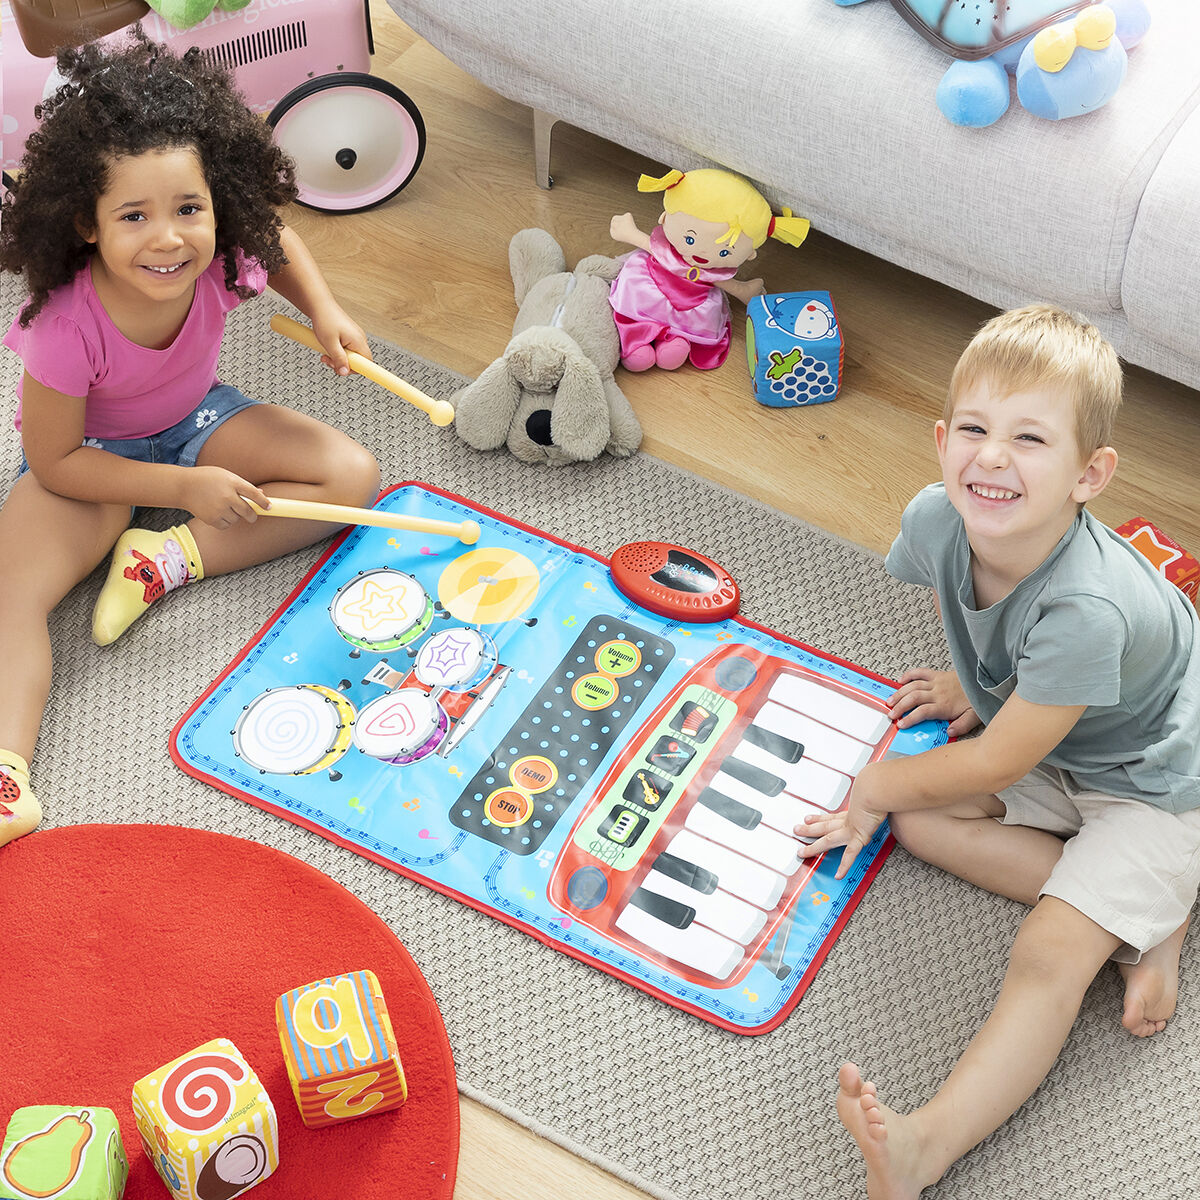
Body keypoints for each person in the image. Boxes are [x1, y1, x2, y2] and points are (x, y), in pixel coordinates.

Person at [797, 305, 1200, 1198]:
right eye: (974, 429)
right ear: (941, 440)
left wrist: (875, 781)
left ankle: (925, 1147)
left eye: (1030, 439)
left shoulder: (1089, 608)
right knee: (916, 827)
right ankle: (1138, 917)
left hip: (1157, 784)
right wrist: (973, 686)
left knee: (1048, 956)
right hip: (1062, 738)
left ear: (1090, 476)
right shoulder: (939, 520)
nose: (991, 456)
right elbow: (994, 631)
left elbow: (993, 764)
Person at [0, 31, 381, 849]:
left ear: (220, 202)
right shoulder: (65, 324)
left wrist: (324, 310)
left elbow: (279, 245)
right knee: (11, 598)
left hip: (196, 422)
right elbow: (58, 460)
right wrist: (183, 493)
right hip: (89, 466)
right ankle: (5, 775)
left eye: (189, 210)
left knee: (352, 477)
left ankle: (162, 562)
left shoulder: (220, 258)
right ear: (87, 224)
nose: (168, 239)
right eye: (133, 216)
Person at [608, 168, 809, 372]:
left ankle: (675, 340)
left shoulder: (712, 272)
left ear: (749, 255)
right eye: (690, 239)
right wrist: (630, 233)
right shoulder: (666, 252)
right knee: (638, 313)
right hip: (651, 284)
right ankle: (636, 342)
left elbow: (726, 284)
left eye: (724, 253)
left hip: (693, 302)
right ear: (664, 218)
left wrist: (745, 291)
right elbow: (651, 247)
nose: (701, 253)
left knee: (681, 340)